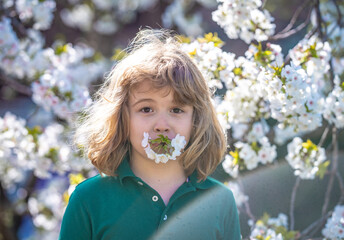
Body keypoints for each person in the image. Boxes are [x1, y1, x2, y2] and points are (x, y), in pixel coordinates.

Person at [59, 29, 241, 240]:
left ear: (196, 120)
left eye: (176, 110)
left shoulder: (220, 201)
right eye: (146, 109)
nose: (162, 125)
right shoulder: (88, 199)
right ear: (122, 117)